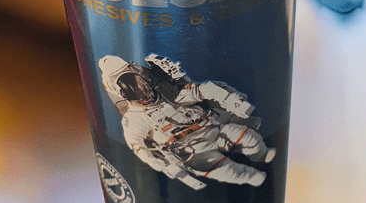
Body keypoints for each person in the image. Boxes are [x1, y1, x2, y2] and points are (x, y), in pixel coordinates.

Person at [99, 54, 276, 189]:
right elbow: (136, 143)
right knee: (230, 171)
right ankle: (256, 178)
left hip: (212, 130)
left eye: (143, 87)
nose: (145, 96)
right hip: (190, 152)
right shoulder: (135, 118)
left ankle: (261, 156)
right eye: (137, 94)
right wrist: (157, 163)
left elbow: (203, 90)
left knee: (248, 137)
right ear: (125, 95)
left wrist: (230, 101)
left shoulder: (169, 93)